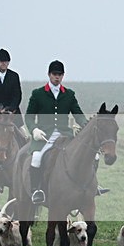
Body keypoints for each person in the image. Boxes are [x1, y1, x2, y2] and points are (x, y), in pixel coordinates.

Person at [24, 60, 90, 205]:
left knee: (83, 154)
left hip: (64, 135)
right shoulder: (38, 94)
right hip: (43, 136)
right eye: (54, 74)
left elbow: (78, 114)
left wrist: (86, 125)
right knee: (36, 157)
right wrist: (34, 129)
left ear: (63, 76)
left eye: (60, 74)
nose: (57, 77)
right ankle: (37, 190)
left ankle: (91, 186)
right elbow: (28, 116)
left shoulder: (69, 94)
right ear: (49, 74)